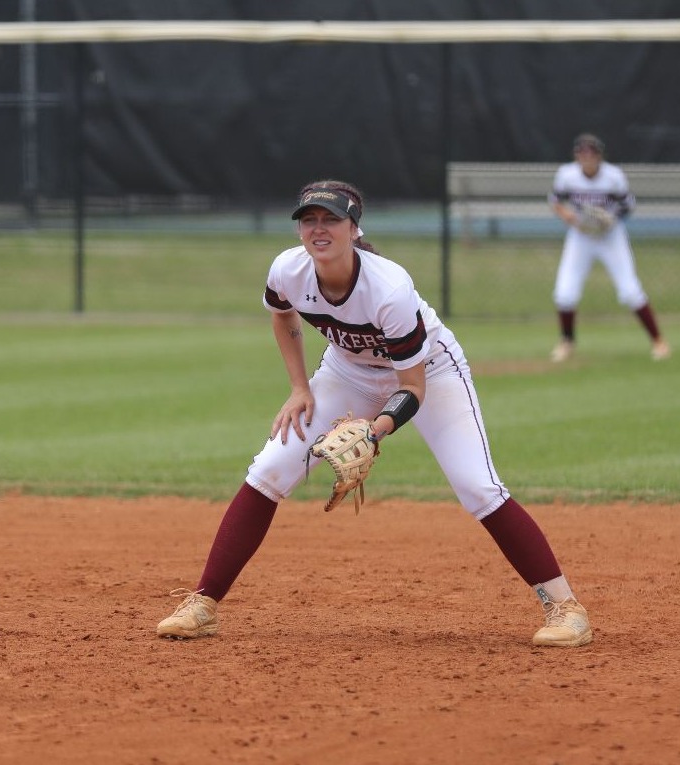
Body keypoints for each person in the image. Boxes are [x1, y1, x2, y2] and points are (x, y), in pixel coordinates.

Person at [156, 179, 593, 648]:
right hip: (347, 371)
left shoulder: (388, 289)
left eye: (331, 219)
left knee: (477, 486)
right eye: (309, 220)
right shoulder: (288, 269)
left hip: (431, 371)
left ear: (354, 229)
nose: (318, 229)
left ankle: (566, 608)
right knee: (270, 468)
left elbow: (411, 386)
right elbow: (282, 315)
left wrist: (374, 430)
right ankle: (203, 603)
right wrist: (299, 388)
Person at [548, 133, 670, 363]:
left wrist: (610, 219)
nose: (586, 158)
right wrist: (569, 217)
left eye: (591, 153)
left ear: (599, 156)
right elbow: (555, 201)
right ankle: (567, 342)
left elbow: (628, 205)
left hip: (609, 236)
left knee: (630, 291)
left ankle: (659, 341)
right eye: (582, 153)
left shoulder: (613, 177)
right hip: (581, 235)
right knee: (564, 292)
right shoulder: (567, 175)